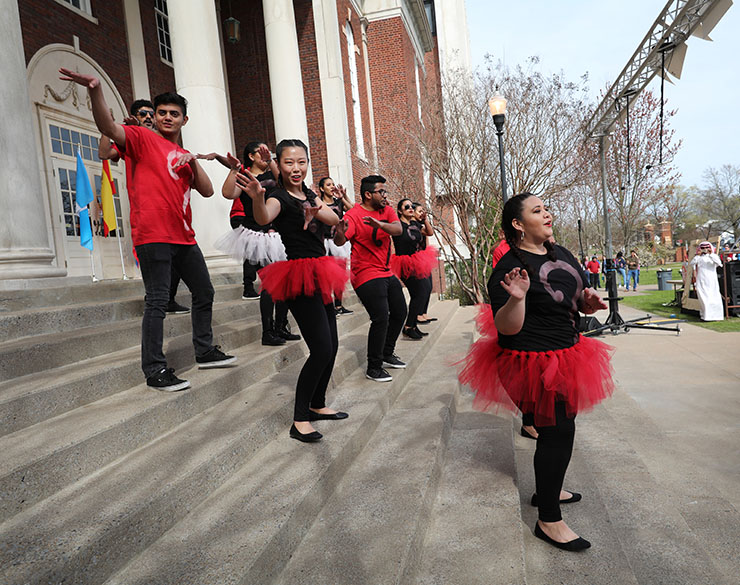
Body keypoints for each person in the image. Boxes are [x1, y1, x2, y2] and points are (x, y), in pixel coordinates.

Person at [60, 68, 237, 391]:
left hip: (184, 237)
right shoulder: (141, 140)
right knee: (157, 301)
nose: (167, 118)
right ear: (154, 117)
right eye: (162, 113)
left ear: (185, 120)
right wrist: (95, 90)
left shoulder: (183, 153)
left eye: (174, 114)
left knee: (205, 291)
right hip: (152, 235)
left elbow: (208, 190)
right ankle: (155, 369)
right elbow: (107, 127)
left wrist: (191, 161)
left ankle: (205, 349)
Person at [458, 193, 614, 552]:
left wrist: (585, 301)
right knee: (557, 431)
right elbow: (506, 328)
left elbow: (570, 297)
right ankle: (549, 519)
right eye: (537, 210)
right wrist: (516, 298)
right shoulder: (509, 268)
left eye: (547, 208)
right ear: (517, 224)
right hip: (529, 359)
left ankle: (549, 486)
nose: (547, 213)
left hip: (568, 352)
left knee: (558, 428)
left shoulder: (560, 253)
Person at [238, 139, 349, 443]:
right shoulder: (278, 196)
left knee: (333, 345)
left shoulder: (309, 194)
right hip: (299, 276)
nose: (296, 168)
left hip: (321, 271)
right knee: (322, 349)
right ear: (279, 164)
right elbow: (263, 217)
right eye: (289, 162)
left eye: (301, 162)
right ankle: (300, 419)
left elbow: (335, 224)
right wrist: (258, 197)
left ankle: (317, 403)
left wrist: (327, 216)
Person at [98, 98, 189, 315]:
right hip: (148, 212)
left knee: (177, 260)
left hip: (173, 212)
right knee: (157, 262)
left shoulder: (166, 141)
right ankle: (157, 297)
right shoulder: (134, 139)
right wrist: (108, 126)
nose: (148, 117)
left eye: (151, 113)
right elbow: (104, 154)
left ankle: (169, 298)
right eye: (143, 114)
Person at [219, 142, 300, 346]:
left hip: (278, 235)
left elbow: (284, 181)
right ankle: (268, 331)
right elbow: (229, 194)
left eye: (268, 151)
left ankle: (281, 326)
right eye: (260, 152)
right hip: (256, 235)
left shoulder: (274, 174)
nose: (265, 154)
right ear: (250, 156)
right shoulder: (245, 176)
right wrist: (234, 169)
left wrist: (271, 160)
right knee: (271, 283)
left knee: (285, 283)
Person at [334, 175, 407, 382]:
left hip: (385, 270)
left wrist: (380, 225)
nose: (385, 195)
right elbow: (340, 242)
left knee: (400, 311)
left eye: (385, 191)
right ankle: (373, 367)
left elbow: (398, 229)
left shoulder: (387, 210)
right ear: (368, 194)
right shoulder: (354, 215)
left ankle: (387, 352)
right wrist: (339, 233)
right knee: (381, 317)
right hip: (365, 272)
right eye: (381, 191)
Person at [391, 198, 437, 339]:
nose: (410, 208)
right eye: (407, 207)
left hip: (418, 261)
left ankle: (412, 325)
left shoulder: (415, 224)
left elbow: (429, 233)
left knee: (423, 292)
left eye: (412, 206)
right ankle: (408, 326)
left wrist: (425, 220)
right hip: (404, 263)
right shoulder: (397, 226)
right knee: (420, 293)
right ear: (400, 211)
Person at [318, 176, 353, 316]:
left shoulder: (339, 202)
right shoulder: (319, 202)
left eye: (333, 184)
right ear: (322, 188)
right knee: (326, 276)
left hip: (338, 242)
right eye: (328, 184)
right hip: (324, 242)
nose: (332, 186)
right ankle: (328, 306)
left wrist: (343, 196)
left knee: (340, 274)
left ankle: (338, 306)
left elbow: (351, 210)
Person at [412, 202, 438, 325]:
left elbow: (430, 232)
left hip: (424, 258)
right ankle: (417, 314)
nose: (422, 213)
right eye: (419, 211)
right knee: (423, 287)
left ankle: (423, 313)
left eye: (423, 211)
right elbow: (428, 233)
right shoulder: (412, 226)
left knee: (429, 286)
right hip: (415, 260)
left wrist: (426, 220)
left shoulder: (421, 225)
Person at [690, 242, 724, 321]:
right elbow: (692, 263)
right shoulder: (699, 258)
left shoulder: (713, 256)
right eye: (703, 248)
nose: (705, 250)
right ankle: (705, 316)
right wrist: (698, 255)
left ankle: (716, 316)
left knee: (714, 298)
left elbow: (719, 263)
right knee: (703, 298)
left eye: (706, 248)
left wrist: (711, 254)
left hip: (712, 280)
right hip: (701, 280)